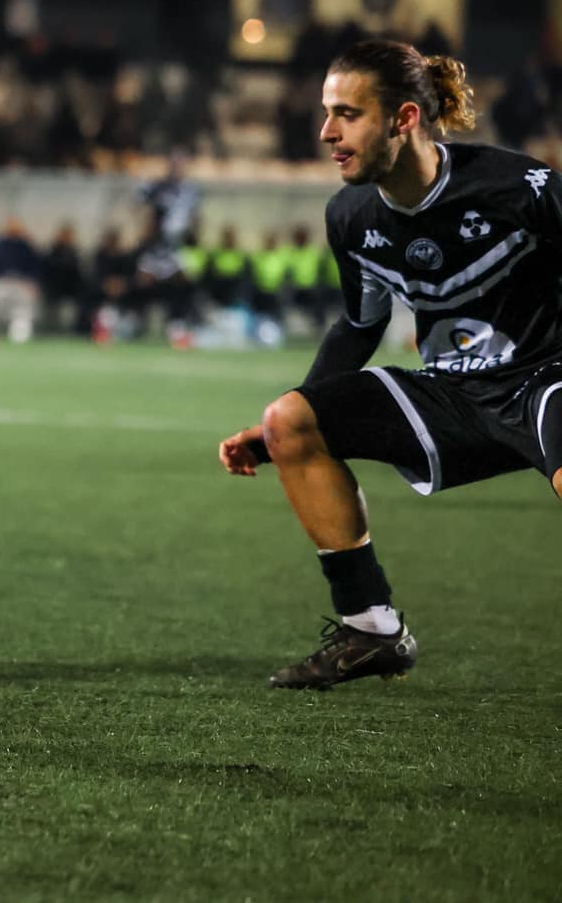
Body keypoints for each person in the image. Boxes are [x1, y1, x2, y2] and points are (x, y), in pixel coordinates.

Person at [218, 40, 562, 690]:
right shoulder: (350, 217)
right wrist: (274, 437)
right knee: (289, 420)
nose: (327, 132)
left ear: (404, 119)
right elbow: (359, 325)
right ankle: (371, 630)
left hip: (546, 376)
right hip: (453, 393)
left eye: (347, 114)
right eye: (327, 113)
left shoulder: (521, 189)